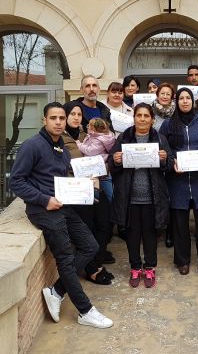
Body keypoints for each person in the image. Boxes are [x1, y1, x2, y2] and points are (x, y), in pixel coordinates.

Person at [9, 101, 113, 329]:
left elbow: (63, 178)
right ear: (44, 120)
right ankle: (85, 311)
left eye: (61, 119)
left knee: (90, 246)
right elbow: (16, 181)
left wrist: (84, 183)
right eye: (53, 118)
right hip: (43, 210)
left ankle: (56, 291)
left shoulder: (62, 149)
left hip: (63, 205)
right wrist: (44, 200)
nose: (58, 122)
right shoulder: (32, 146)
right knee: (65, 258)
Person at [109, 103, 172, 288]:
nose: (143, 119)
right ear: (134, 117)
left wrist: (165, 159)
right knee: (133, 235)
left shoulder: (160, 138)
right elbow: (111, 165)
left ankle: (150, 267)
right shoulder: (124, 138)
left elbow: (169, 165)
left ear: (152, 119)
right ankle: (135, 267)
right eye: (139, 115)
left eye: (146, 116)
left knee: (150, 234)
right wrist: (115, 159)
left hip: (153, 197)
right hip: (129, 197)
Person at [159, 87, 198, 276]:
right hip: (178, 180)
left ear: (193, 101)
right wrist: (172, 159)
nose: (184, 101)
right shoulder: (167, 124)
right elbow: (163, 147)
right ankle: (182, 261)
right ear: (177, 101)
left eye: (188, 98)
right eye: (181, 98)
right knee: (180, 224)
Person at [62, 101, 116, 285]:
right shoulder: (60, 138)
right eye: (72, 114)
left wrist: (104, 164)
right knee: (88, 228)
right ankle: (92, 268)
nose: (76, 117)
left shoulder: (88, 134)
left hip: (94, 185)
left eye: (79, 114)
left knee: (105, 223)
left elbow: (103, 153)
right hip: (75, 190)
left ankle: (96, 260)